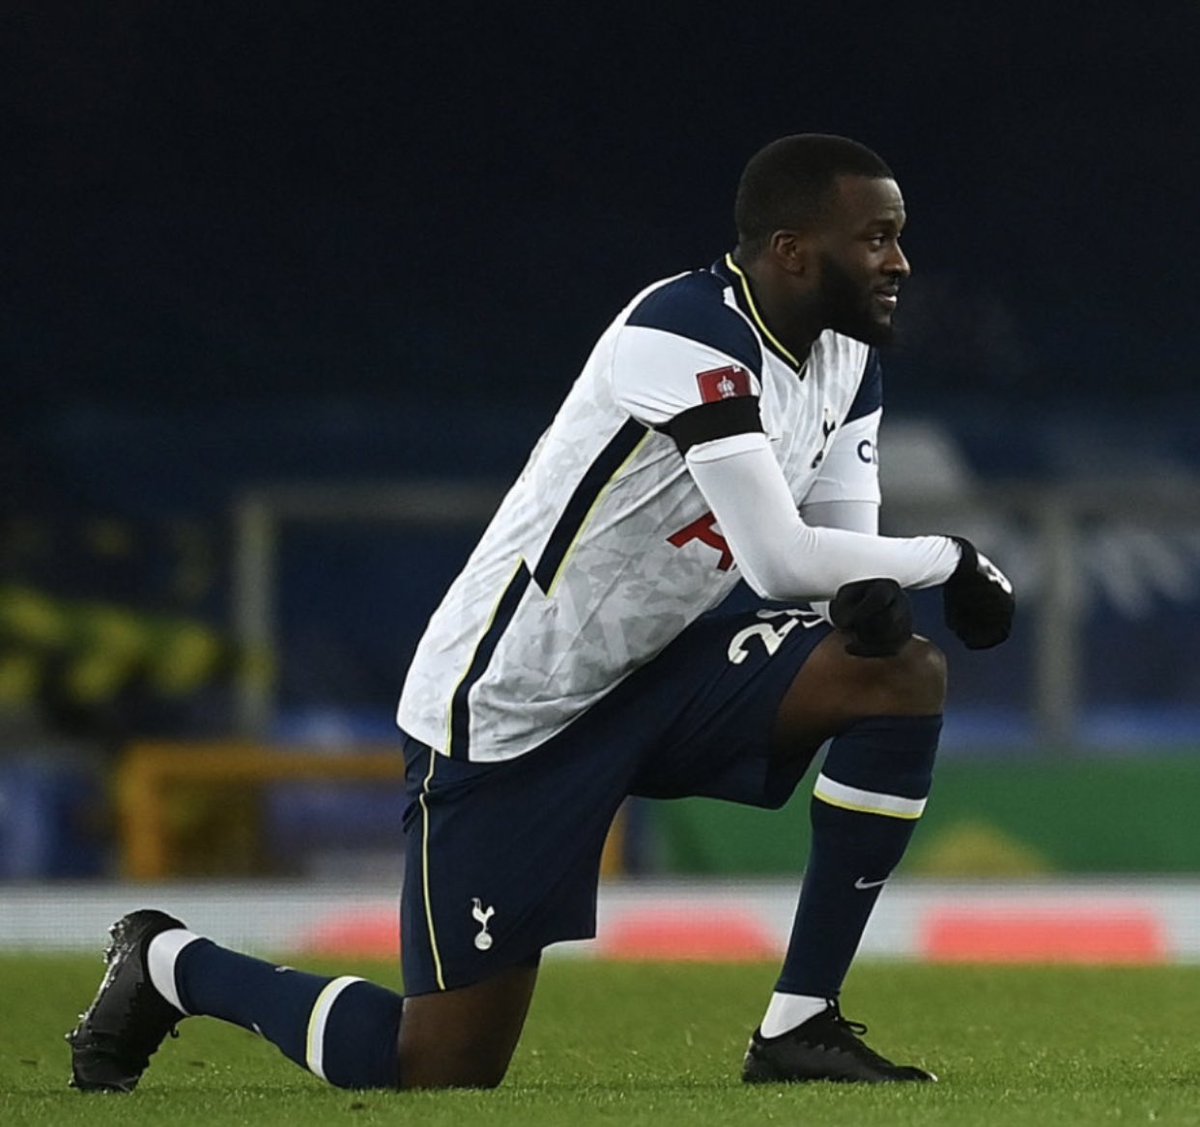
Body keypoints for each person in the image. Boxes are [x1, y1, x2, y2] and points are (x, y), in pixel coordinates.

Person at [68, 133, 1014, 1094]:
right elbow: (779, 558)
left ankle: (799, 1023)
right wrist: (955, 560)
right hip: (512, 710)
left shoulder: (848, 358)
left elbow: (830, 567)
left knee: (897, 674)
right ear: (793, 250)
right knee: (437, 1064)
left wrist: (875, 607)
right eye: (877, 238)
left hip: (656, 672)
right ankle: (167, 962)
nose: (900, 262)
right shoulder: (682, 332)